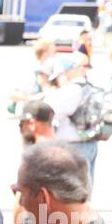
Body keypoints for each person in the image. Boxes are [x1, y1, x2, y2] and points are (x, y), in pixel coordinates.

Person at [44, 53, 101, 187]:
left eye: (60, 75)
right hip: (90, 143)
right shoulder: (90, 87)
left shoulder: (71, 90)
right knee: (84, 188)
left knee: (72, 191)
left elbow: (50, 112)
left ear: (67, 72)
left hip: (73, 147)